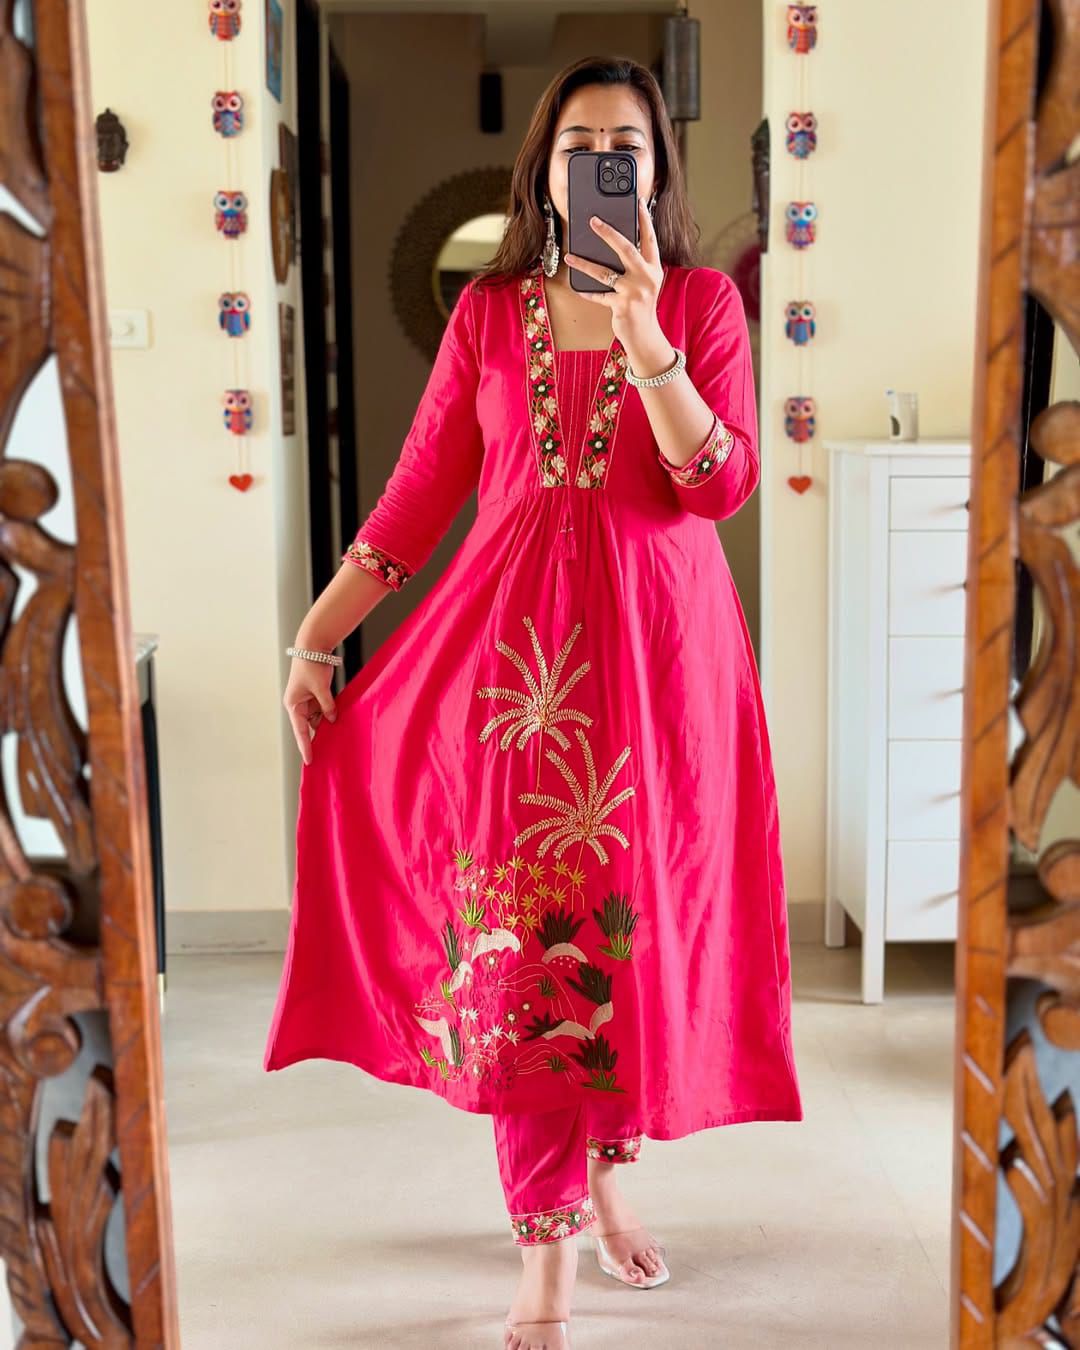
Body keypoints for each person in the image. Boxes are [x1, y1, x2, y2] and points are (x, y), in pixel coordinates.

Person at [265, 54, 803, 1350]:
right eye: (579, 145)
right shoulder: (488, 315)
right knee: (523, 948)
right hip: (517, 681)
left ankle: (605, 1177)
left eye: (626, 145)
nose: (602, 163)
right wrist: (319, 636)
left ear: (655, 170)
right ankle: (546, 1254)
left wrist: (652, 344)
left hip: (661, 671)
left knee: (625, 937)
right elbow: (418, 494)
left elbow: (717, 487)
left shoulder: (705, 306)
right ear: (545, 170)